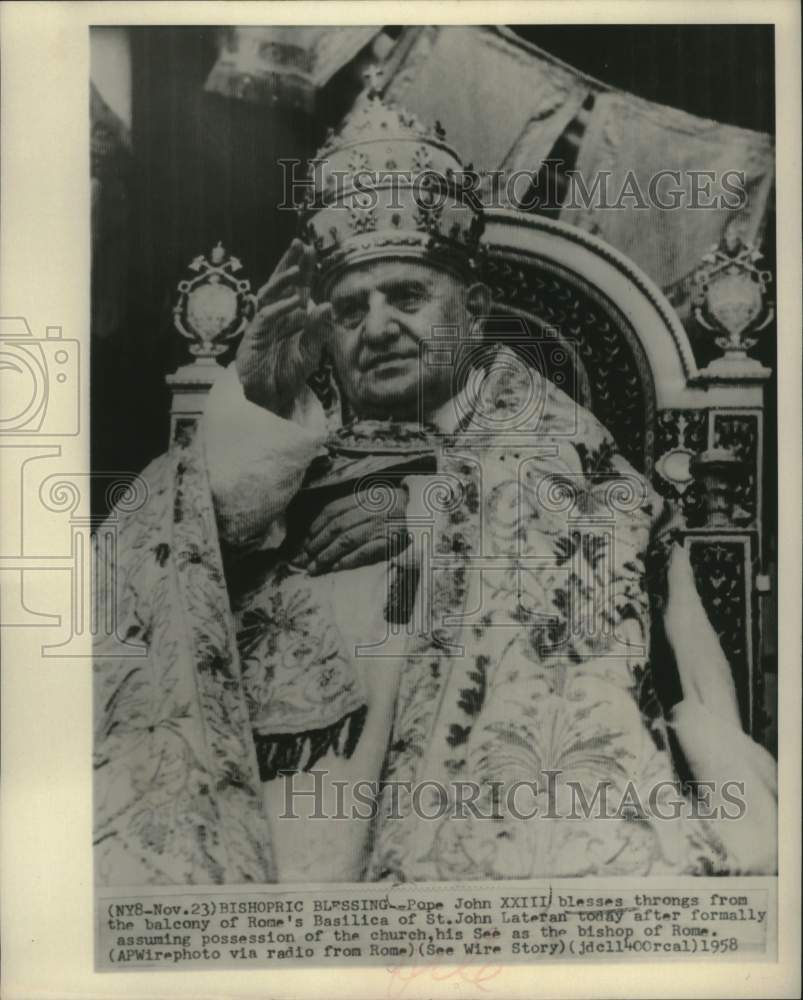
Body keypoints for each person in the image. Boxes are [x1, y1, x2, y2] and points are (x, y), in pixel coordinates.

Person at [94, 82, 776, 886]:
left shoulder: (555, 442)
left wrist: (435, 513)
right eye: (348, 309)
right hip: (259, 836)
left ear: (475, 306)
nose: (376, 325)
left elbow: (607, 571)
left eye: (407, 296)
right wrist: (255, 404)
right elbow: (146, 583)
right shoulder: (274, 444)